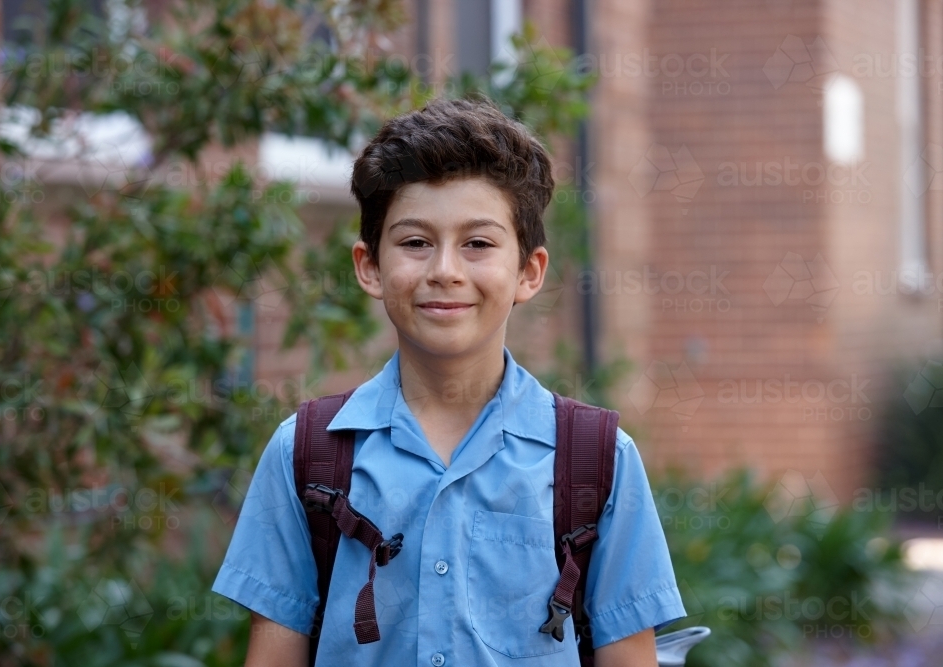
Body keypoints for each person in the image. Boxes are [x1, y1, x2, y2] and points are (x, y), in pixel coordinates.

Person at [211, 96, 687, 667]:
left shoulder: (598, 460)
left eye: (478, 244)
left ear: (528, 271)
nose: (444, 270)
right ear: (370, 265)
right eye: (415, 242)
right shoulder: (307, 454)